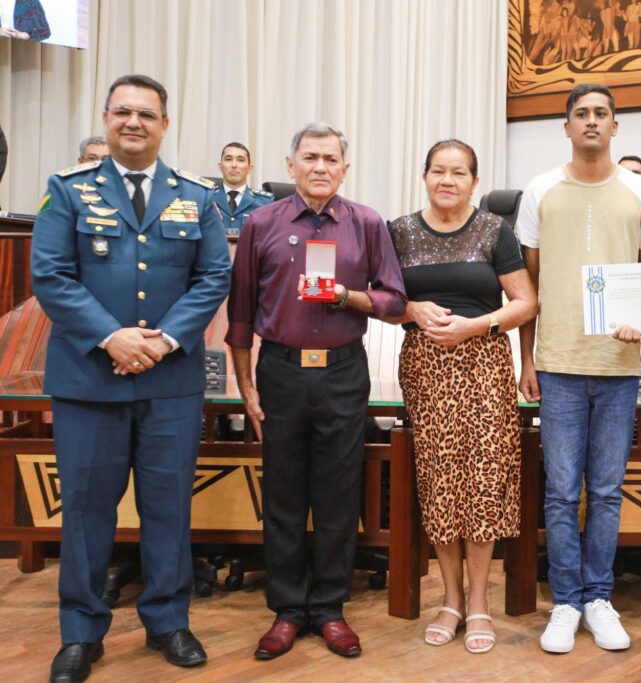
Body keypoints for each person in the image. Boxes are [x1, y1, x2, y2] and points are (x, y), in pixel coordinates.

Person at [31, 73, 231, 683]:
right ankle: (80, 633)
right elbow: (51, 275)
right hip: (90, 381)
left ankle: (168, 621)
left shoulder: (196, 196)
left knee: (167, 506)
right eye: (123, 113)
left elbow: (213, 277)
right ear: (107, 118)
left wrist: (163, 340)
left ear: (165, 125)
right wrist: (112, 337)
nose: (134, 123)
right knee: (87, 511)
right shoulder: (68, 190)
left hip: (169, 383)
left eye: (147, 114)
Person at [227, 122, 406, 661]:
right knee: (283, 494)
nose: (321, 167)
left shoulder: (367, 224)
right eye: (311, 157)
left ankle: (329, 608)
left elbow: (395, 301)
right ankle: (285, 609)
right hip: (279, 370)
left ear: (345, 168)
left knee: (336, 493)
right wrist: (246, 387)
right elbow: (239, 315)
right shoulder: (261, 224)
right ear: (290, 165)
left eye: (331, 158)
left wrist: (350, 296)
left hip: (341, 371)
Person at [517, 83, 641, 654]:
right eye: (580, 114)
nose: (590, 122)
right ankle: (564, 601)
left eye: (601, 114)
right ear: (566, 126)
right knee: (560, 492)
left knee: (605, 491)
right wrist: (526, 359)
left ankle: (599, 597)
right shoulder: (539, 191)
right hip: (556, 363)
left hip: (617, 366)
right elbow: (527, 285)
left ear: (615, 126)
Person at [386, 139, 537, 654]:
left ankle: (478, 603)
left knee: (484, 482)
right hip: (425, 370)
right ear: (424, 176)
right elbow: (384, 303)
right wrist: (412, 310)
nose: (447, 180)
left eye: (458, 172)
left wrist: (476, 326)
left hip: (485, 367)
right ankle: (448, 600)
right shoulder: (399, 231)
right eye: (438, 171)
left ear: (475, 180)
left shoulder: (496, 230)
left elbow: (525, 302)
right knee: (440, 482)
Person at [212, 142, 273, 237]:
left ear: (249, 168)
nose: (234, 165)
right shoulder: (207, 198)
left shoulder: (265, 203)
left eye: (240, 160)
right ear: (220, 167)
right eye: (228, 159)